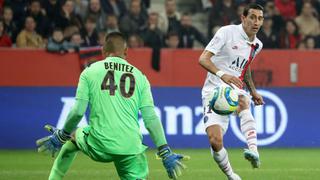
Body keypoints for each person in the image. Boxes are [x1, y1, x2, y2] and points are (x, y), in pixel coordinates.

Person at [36, 32, 188, 180]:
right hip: (130, 147)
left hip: (98, 143)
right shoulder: (140, 77)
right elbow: (150, 119)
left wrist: (62, 135)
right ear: (126, 51)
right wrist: (164, 150)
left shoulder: (90, 72)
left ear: (103, 51)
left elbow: (77, 112)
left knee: (72, 137)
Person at [198, 3, 265, 180]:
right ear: (243, 18)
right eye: (252, 17)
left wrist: (253, 90)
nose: (256, 22)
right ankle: (230, 175)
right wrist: (223, 75)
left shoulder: (257, 44)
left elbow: (246, 67)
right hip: (213, 90)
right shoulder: (226, 32)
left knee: (244, 102)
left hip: (235, 88)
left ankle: (253, 150)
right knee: (215, 141)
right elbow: (203, 58)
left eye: (260, 18)